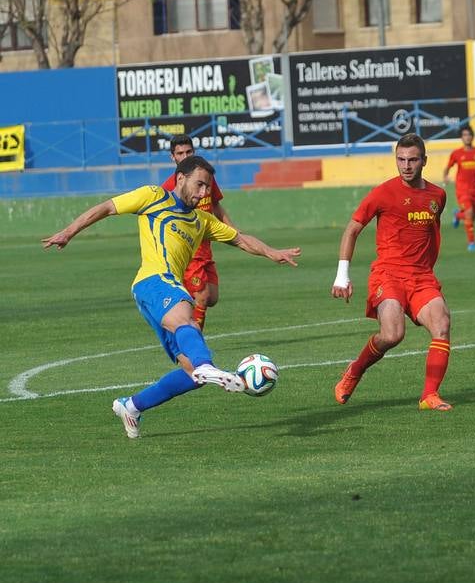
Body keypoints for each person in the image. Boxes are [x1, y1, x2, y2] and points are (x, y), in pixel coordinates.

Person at [42, 155, 301, 439]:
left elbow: (240, 238)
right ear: (180, 178)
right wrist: (68, 232)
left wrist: (272, 252)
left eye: (207, 188)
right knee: (187, 324)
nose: (204, 194)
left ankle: (132, 406)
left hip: (156, 292)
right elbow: (106, 208)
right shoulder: (152, 196)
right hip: (155, 281)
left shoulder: (202, 220)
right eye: (199, 185)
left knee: (192, 375)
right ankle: (206, 365)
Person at [331, 133, 452, 412]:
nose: (406, 165)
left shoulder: (437, 196)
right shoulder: (383, 193)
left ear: (424, 161)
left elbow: (431, 234)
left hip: (421, 277)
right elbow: (352, 229)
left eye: (412, 160)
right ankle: (355, 370)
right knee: (392, 334)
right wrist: (342, 275)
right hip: (389, 274)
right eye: (401, 159)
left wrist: (427, 270)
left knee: (442, 325)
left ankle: (429, 396)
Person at [161, 134, 231, 330]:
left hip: (206, 249)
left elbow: (216, 206)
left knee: (212, 297)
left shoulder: (206, 178)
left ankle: (180, 314)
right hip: (188, 251)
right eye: (179, 153)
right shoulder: (169, 187)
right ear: (172, 157)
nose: (185, 156)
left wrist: (233, 231)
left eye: (188, 152)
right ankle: (194, 344)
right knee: (202, 296)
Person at [442, 125, 475, 252]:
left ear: (472, 136)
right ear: (461, 138)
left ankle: (457, 215)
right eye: (464, 135)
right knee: (469, 213)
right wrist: (445, 177)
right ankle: (472, 243)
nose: (467, 137)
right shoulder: (456, 153)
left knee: (471, 218)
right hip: (462, 188)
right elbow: (448, 167)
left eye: (469, 135)